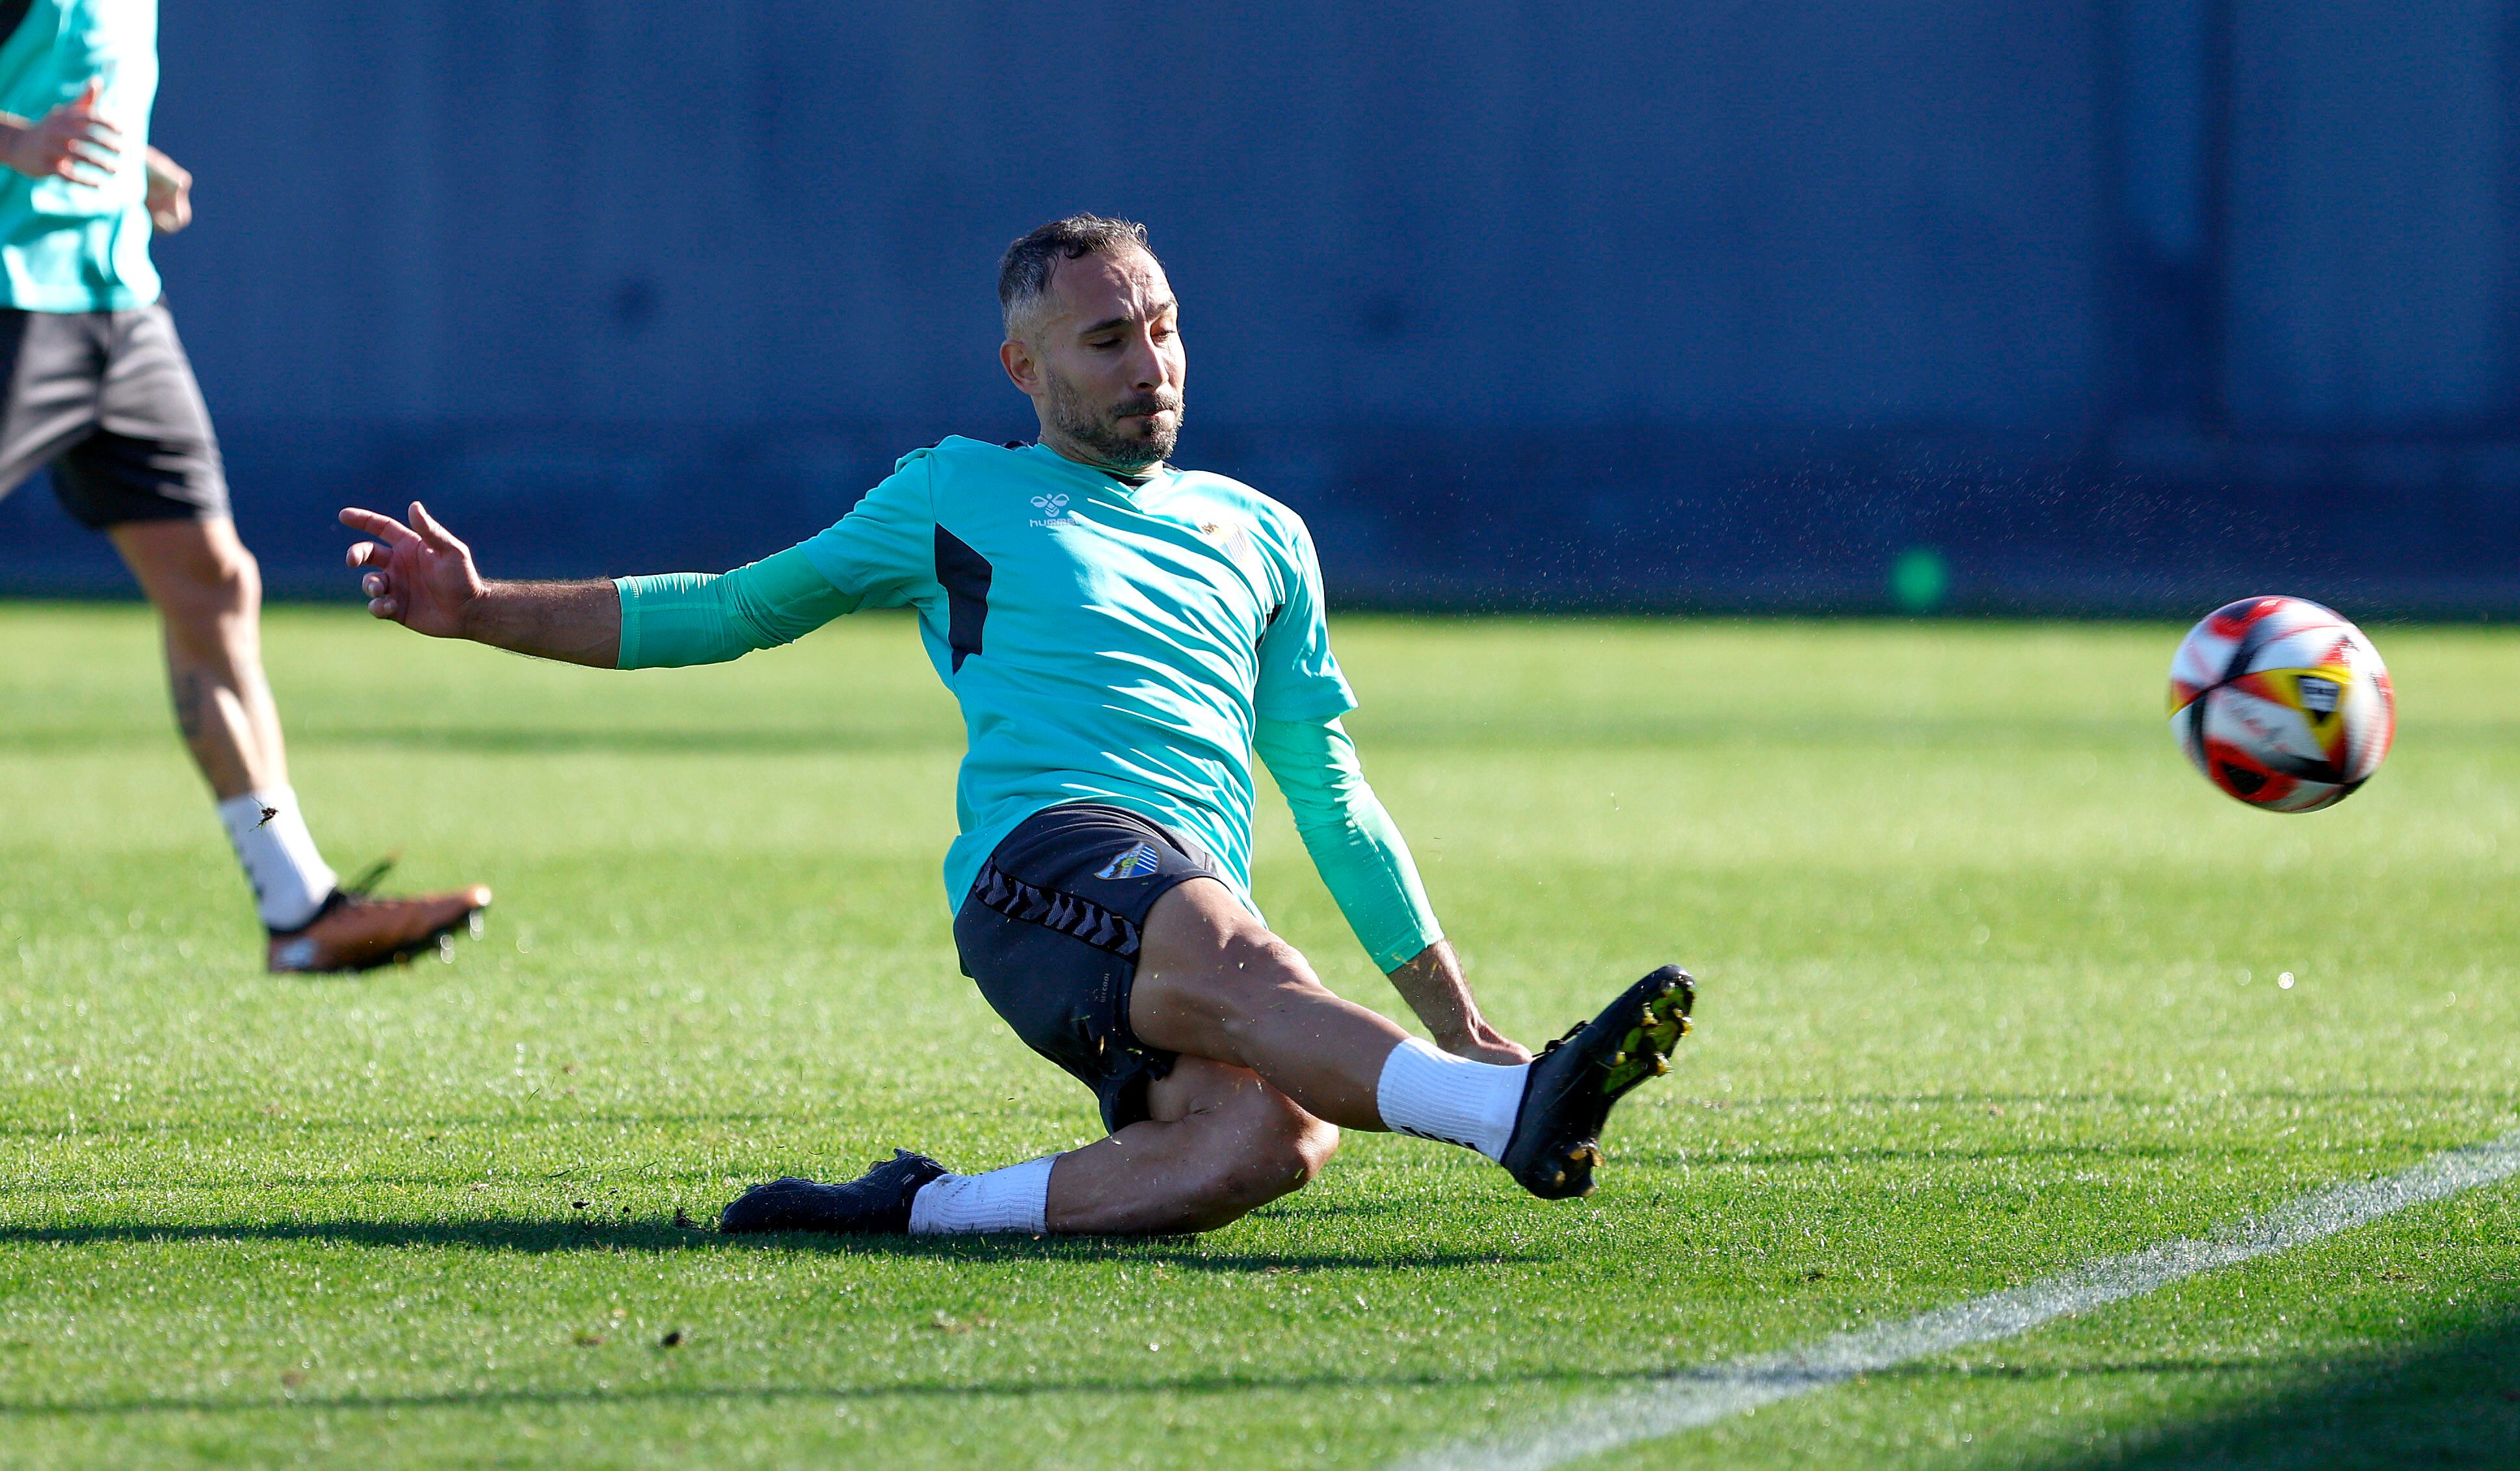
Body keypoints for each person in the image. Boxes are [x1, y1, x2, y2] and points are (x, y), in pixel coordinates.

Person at [341, 215, 1693, 1236]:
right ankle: (1515, 1118)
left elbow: (1330, 794)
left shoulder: (1265, 534)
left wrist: (1456, 1018)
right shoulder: (955, 491)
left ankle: (914, 1213)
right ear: (1025, 367)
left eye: (1162, 327)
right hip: (1044, 870)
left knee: (1265, 1143)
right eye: (1107, 340)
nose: (1148, 364)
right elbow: (731, 610)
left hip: (1183, 891)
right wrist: (477, 609)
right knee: (1234, 952)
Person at [0, 1, 488, 970]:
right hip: (12, 302)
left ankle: (297, 902)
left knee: (216, 588)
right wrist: (18, 138)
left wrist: (127, 169)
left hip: (119, 304)